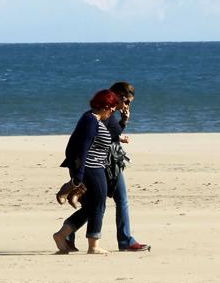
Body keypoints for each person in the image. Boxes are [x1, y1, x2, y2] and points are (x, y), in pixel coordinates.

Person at [52, 89, 122, 255]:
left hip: (93, 168)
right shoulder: (90, 120)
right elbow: (81, 149)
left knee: (90, 207)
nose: (113, 111)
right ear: (105, 106)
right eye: (112, 107)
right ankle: (93, 245)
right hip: (92, 169)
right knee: (98, 205)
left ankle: (61, 235)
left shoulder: (91, 119)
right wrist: (78, 176)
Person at [106, 81, 150, 252]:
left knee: (94, 204)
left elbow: (112, 133)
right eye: (127, 101)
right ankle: (125, 240)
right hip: (107, 162)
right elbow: (106, 135)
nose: (127, 105)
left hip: (104, 161)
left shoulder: (106, 110)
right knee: (120, 200)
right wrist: (123, 124)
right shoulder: (106, 111)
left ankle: (68, 233)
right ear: (120, 97)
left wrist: (123, 121)